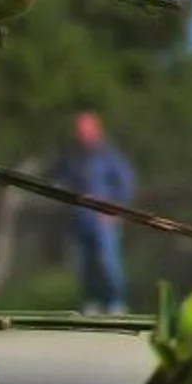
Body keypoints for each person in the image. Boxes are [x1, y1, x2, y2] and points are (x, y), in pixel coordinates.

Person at [65, 109, 135, 314]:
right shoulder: (73, 156)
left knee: (108, 262)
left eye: (85, 129)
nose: (82, 134)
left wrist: (113, 208)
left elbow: (126, 183)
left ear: (96, 131)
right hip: (81, 218)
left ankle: (116, 301)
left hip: (103, 219)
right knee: (85, 264)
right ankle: (91, 301)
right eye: (79, 130)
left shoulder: (108, 155)